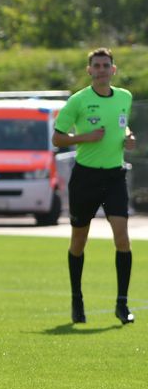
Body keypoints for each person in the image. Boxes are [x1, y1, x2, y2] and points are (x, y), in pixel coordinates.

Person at [51, 47, 136, 325]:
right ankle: (77, 300)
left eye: (106, 65)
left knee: (122, 236)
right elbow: (58, 139)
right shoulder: (79, 101)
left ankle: (122, 304)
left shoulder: (124, 97)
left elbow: (121, 126)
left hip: (114, 176)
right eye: (96, 66)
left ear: (114, 69)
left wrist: (129, 135)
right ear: (89, 71)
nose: (101, 70)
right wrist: (85, 137)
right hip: (85, 177)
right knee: (79, 241)